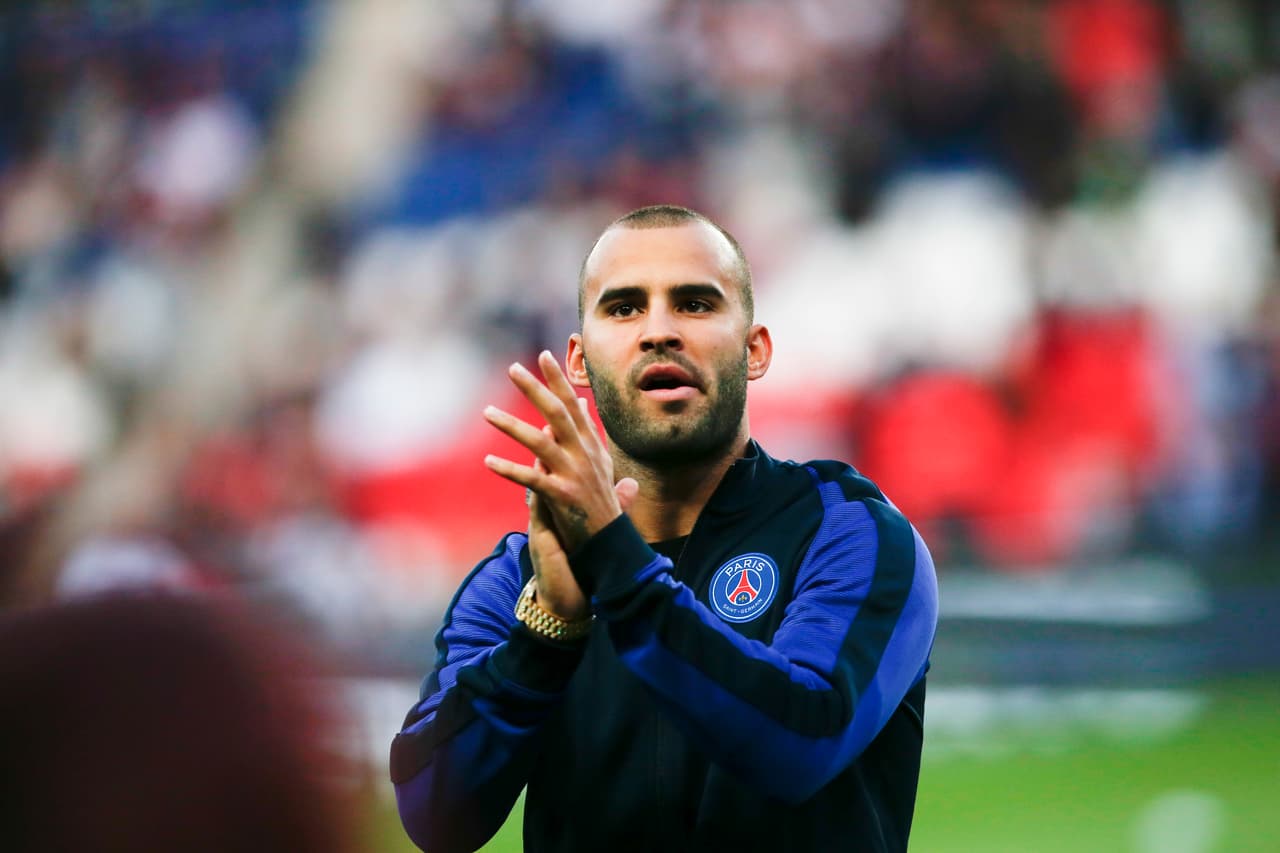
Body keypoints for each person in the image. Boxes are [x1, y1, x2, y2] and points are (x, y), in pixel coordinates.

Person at [390, 205, 938, 852]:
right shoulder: (519, 579)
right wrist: (545, 638)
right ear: (578, 359)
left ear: (754, 349)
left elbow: (801, 740)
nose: (658, 331)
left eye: (696, 304)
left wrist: (616, 564)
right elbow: (432, 812)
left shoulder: (848, 534)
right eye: (623, 308)